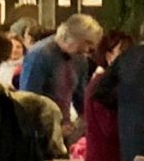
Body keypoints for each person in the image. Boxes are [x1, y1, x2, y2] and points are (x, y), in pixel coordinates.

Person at [20, 14, 102, 143]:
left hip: (65, 129)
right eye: (86, 42)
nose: (87, 49)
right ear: (71, 37)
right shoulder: (39, 55)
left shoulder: (80, 60)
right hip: (39, 133)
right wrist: (52, 128)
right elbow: (29, 100)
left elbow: (80, 97)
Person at [88, 25, 141, 161]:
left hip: (122, 160)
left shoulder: (117, 82)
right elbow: (110, 130)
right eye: (122, 53)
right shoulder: (101, 85)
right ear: (108, 55)